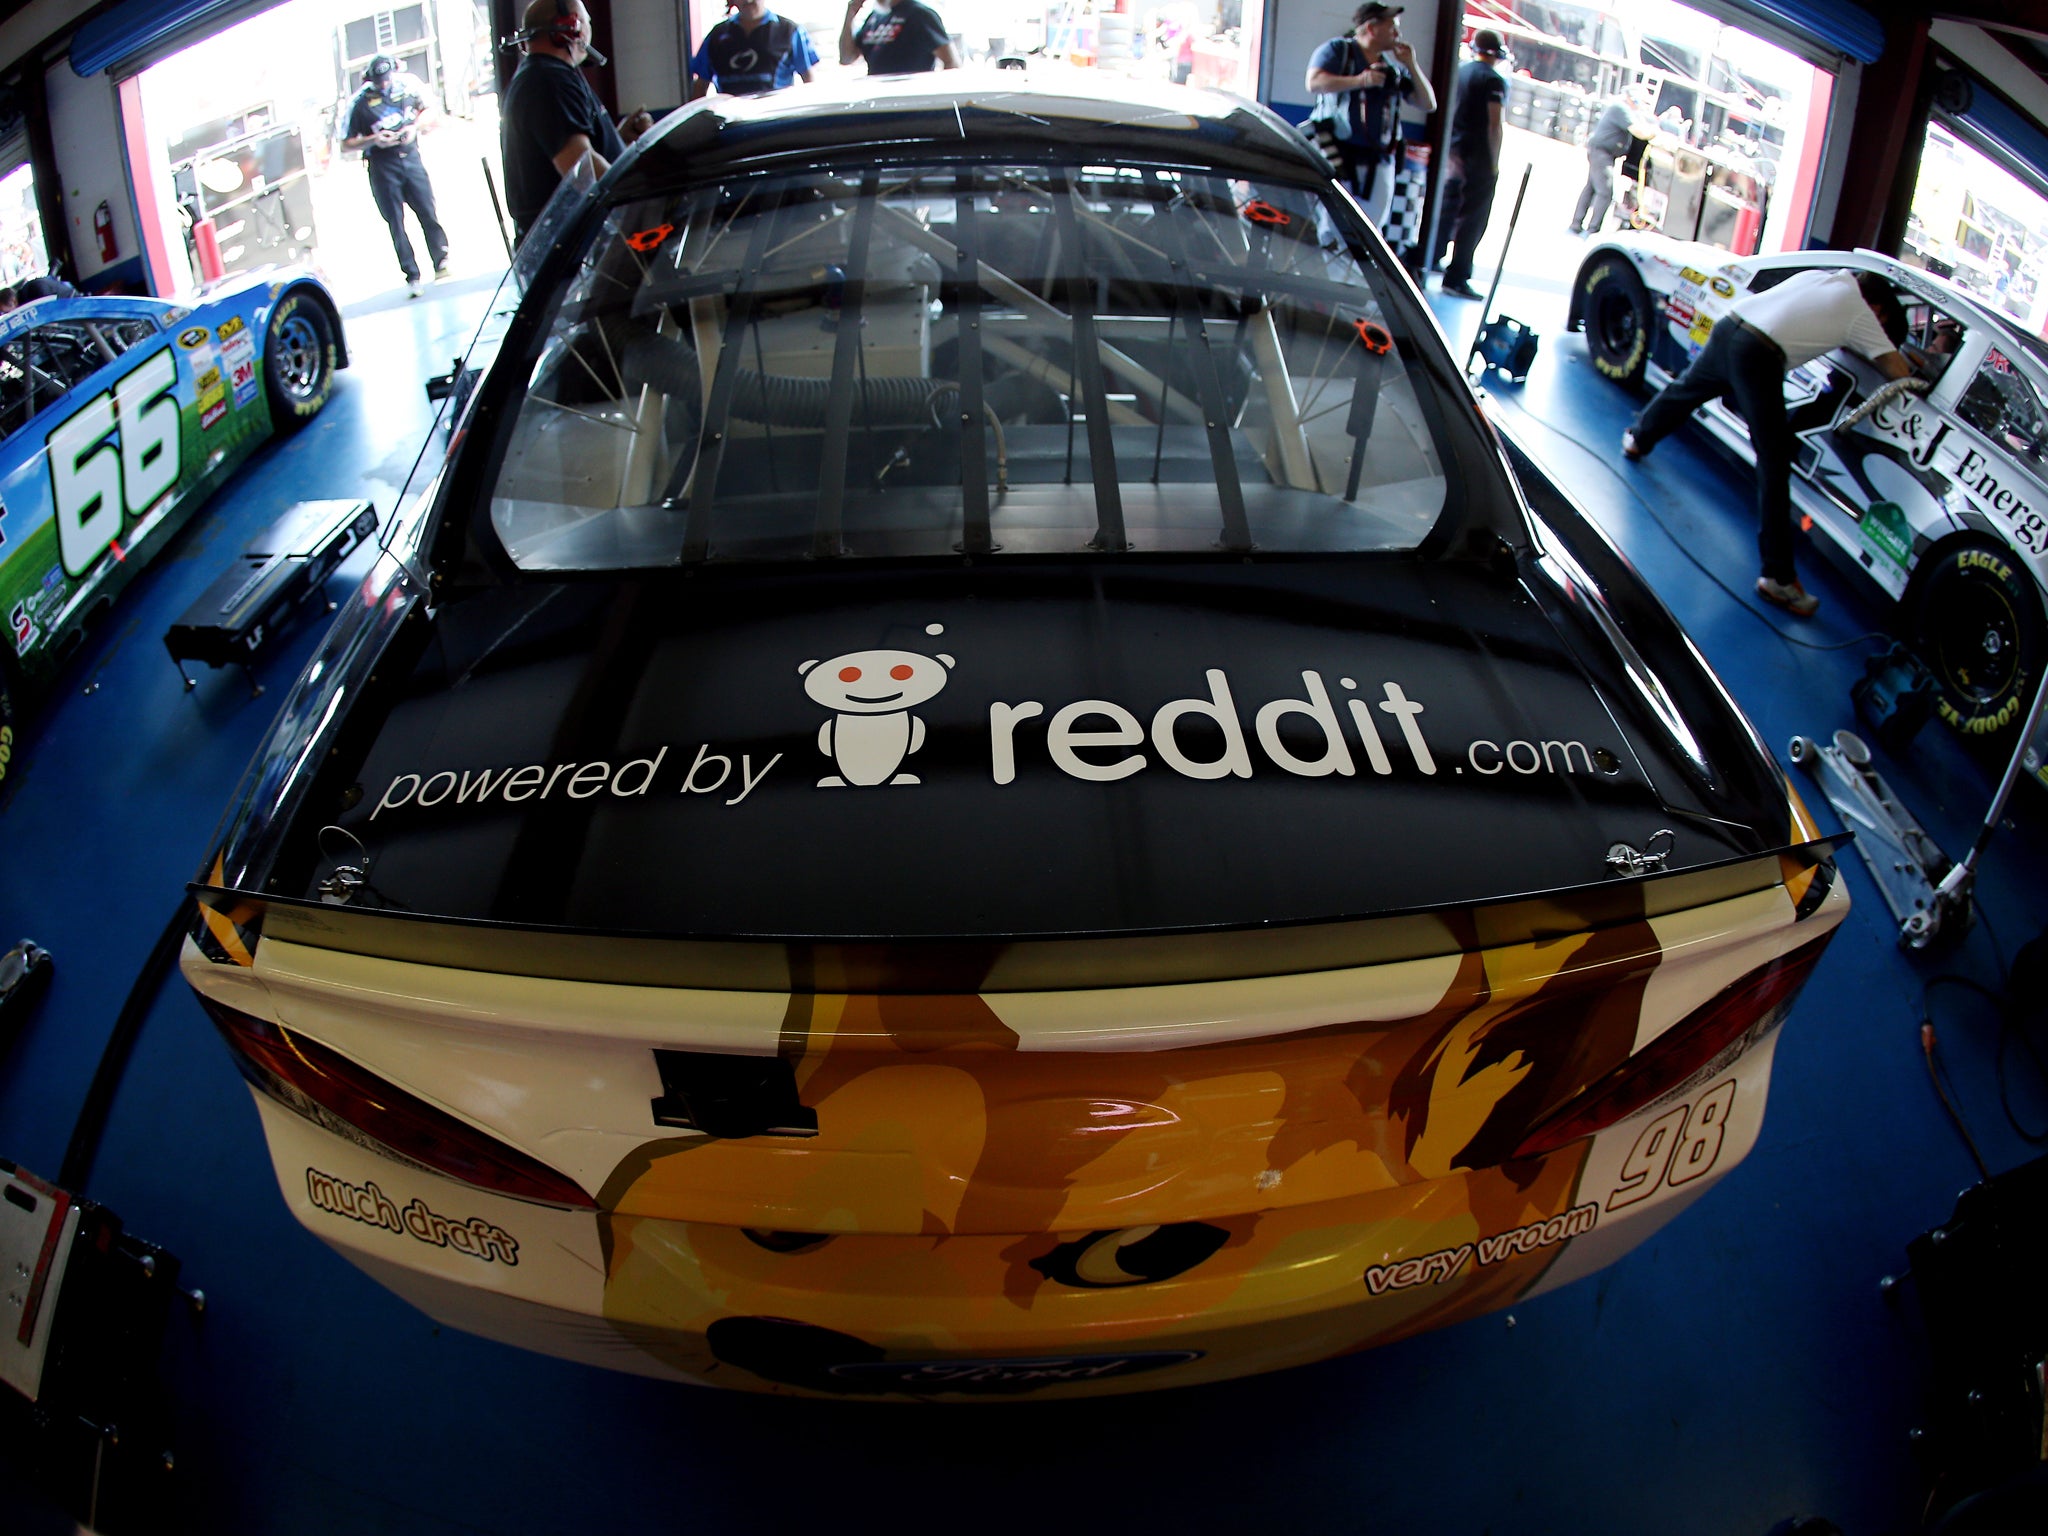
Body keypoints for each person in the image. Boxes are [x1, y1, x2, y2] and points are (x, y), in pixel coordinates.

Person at [1623, 269, 1911, 617]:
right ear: (1878, 308)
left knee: (1686, 390)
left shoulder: (1822, 277)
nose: (1877, 327)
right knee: (1774, 461)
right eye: (1882, 321)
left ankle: (1638, 438)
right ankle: (1778, 578)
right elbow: (1898, 371)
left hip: (1731, 325)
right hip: (1758, 353)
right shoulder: (1860, 309)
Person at [500, 0, 655, 244]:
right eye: (587, 22)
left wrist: (616, 138)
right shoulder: (548, 81)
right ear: (572, 27)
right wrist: (643, 202)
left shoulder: (545, 75)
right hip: (571, 249)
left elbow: (571, 147)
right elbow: (581, 168)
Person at [1306, 3, 1436, 233]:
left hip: (1378, 163)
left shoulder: (1391, 70)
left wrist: (1411, 65)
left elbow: (1428, 103)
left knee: (1370, 232)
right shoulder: (1339, 51)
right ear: (1372, 28)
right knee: (1330, 228)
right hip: (1337, 157)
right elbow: (1314, 82)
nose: (1398, 34)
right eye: (1392, 27)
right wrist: (1360, 81)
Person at [341, 55, 449, 298]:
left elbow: (432, 110)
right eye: (378, 81)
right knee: (396, 222)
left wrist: (414, 128)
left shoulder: (409, 85)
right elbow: (345, 143)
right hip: (381, 165)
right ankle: (412, 275)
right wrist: (374, 140)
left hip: (410, 156)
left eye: (386, 79)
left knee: (427, 209)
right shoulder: (358, 103)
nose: (384, 84)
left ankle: (441, 259)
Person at [1434, 29, 1508, 298]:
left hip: (1452, 152)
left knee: (1446, 209)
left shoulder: (1461, 71)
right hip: (1476, 156)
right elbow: (1494, 124)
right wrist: (1494, 163)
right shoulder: (1493, 81)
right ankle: (1457, 276)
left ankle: (1431, 257)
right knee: (1473, 218)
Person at [691, 0, 819, 97]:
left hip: (775, 122)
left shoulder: (790, 31)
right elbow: (700, 86)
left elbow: (809, 82)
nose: (748, 0)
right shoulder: (716, 36)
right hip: (731, 123)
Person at [1570, 84, 1649, 236]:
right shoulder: (1621, 109)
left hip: (1603, 152)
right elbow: (1638, 130)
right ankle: (1593, 229)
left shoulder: (1627, 110)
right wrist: (1654, 133)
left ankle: (1576, 224)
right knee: (1605, 192)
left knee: (1591, 188)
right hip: (1602, 153)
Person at [841, 0, 961, 75]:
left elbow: (952, 62)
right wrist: (850, 15)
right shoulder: (873, 18)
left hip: (910, 101)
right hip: (879, 100)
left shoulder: (919, 14)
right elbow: (846, 58)